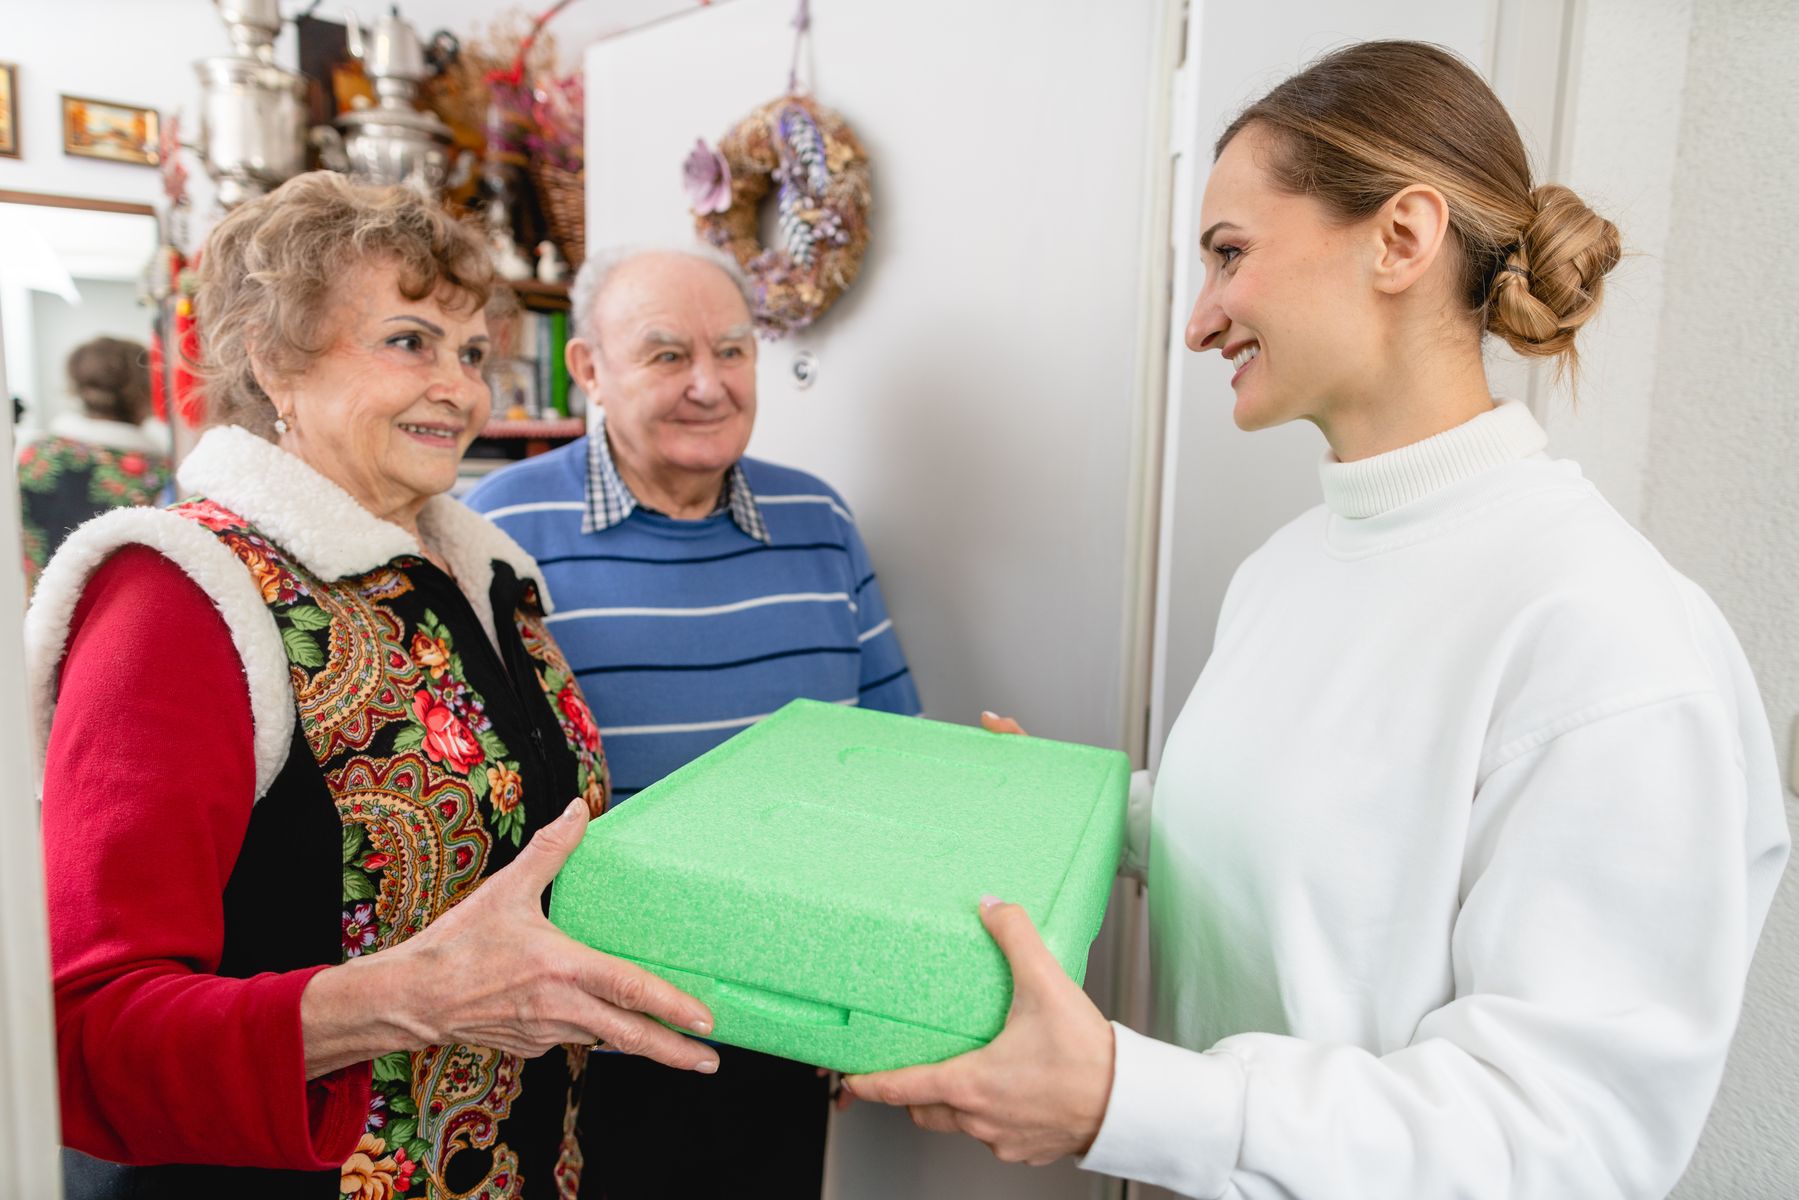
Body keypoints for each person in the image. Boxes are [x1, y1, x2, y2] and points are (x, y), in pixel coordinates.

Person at [842, 41, 1790, 1199]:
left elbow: (1563, 1140)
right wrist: (1089, 808)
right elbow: (1323, 854)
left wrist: (1117, 1100)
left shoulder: (1606, 636)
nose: (1198, 324)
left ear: (1401, 237)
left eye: (1228, 254)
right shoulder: (1288, 569)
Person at [26, 172, 719, 1200]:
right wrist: (406, 999)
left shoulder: (487, 583)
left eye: (471, 351)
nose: (461, 386)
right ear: (273, 361)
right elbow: (76, 1035)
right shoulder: (182, 595)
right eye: (408, 341)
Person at [464, 246, 920, 1197]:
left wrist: (857, 997)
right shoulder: (495, 529)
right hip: (582, 1038)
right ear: (588, 368)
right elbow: (472, 800)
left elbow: (892, 762)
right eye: (667, 355)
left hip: (784, 1014)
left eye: (732, 351)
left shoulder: (819, 520)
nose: (708, 386)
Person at [17, 336, 171, 590]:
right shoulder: (156, 472)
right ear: (145, 389)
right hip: (114, 614)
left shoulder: (34, 455)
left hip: (37, 609)